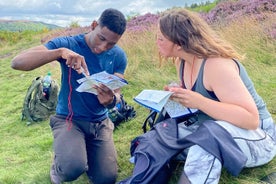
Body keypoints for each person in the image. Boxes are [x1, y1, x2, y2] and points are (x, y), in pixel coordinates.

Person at [120, 9, 276, 184]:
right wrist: (180, 96)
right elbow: (199, 107)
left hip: (259, 137)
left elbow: (251, 119)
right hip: (211, 128)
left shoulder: (216, 65)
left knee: (206, 139)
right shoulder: (183, 61)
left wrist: (199, 101)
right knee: (157, 137)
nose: (156, 42)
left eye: (161, 38)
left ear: (178, 43)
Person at [11, 8, 127, 184]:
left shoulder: (118, 55)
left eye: (111, 44)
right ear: (94, 25)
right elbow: (17, 62)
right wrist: (59, 52)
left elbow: (117, 94)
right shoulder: (70, 44)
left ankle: (82, 152)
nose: (103, 47)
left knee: (107, 178)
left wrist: (111, 101)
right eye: (101, 38)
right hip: (69, 119)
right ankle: (60, 165)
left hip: (100, 123)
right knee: (71, 168)